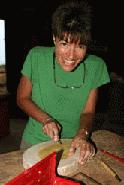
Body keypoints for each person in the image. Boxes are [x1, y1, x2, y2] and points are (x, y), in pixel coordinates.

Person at [17, 0, 110, 165]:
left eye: (80, 46)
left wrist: (83, 134)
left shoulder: (96, 66)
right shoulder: (36, 57)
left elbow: (88, 112)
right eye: (64, 44)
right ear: (54, 38)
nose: (71, 55)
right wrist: (46, 120)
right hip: (34, 143)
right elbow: (22, 98)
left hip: (74, 146)